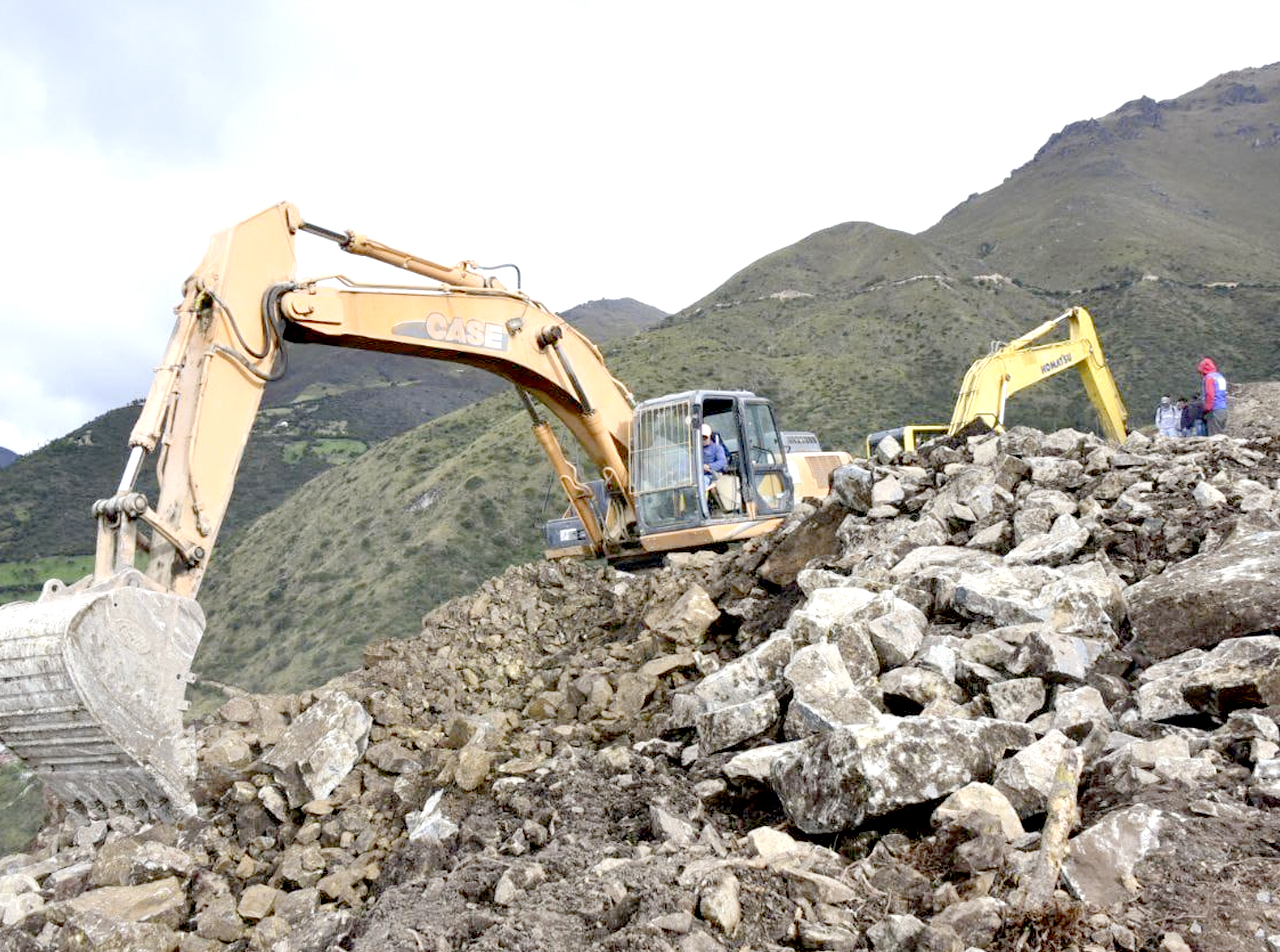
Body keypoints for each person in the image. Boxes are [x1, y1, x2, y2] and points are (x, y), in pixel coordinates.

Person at [1198, 357, 1229, 435]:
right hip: (1223, 409)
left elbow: (1210, 395)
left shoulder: (1209, 378)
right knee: (1220, 434)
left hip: (1214, 410)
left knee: (1214, 437)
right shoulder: (1220, 377)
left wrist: (1207, 409)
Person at [700, 423, 727, 491]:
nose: (703, 440)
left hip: (711, 475)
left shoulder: (717, 448)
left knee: (701, 483)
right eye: (701, 438)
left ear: (710, 437)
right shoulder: (695, 450)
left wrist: (709, 466)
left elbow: (722, 462)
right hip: (698, 475)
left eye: (705, 438)